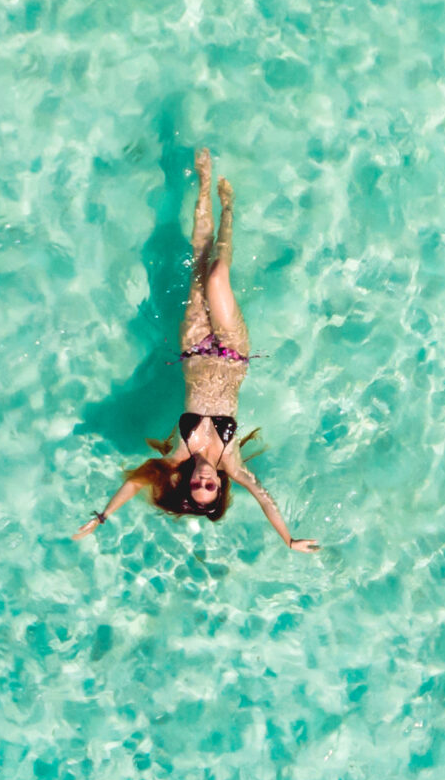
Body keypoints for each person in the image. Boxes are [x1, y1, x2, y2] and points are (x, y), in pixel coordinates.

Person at [73, 149, 318, 553]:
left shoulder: (177, 455)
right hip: (233, 352)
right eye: (211, 487)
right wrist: (288, 539)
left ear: (188, 481)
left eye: (197, 485)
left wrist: (103, 516)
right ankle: (229, 211)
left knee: (200, 261)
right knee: (218, 276)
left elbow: (137, 482)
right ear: (220, 486)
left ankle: (205, 187)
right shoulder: (233, 464)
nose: (205, 480)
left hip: (193, 348)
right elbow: (265, 499)